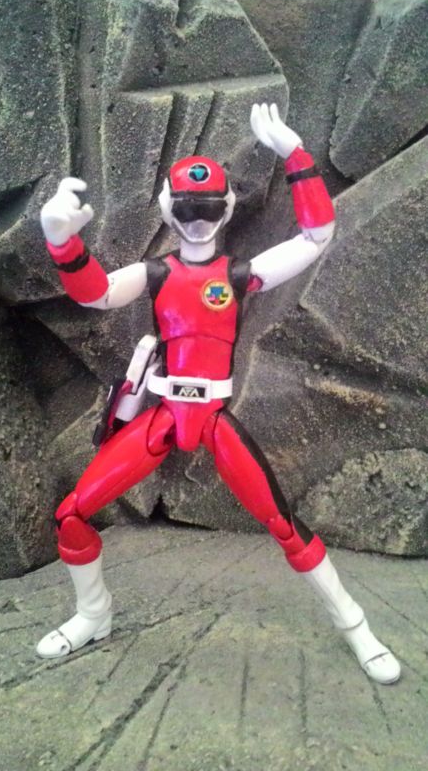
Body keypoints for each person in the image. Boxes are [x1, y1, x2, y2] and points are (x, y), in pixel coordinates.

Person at [37, 103, 400, 685]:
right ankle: (92, 614)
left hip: (211, 416)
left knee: (282, 523)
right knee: (73, 513)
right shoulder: (156, 273)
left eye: (207, 208)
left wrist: (296, 157)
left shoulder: (238, 275)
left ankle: (356, 625)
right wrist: (62, 245)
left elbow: (315, 237)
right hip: (163, 414)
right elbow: (97, 294)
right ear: (167, 208)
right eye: (187, 209)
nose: (197, 220)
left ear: (226, 207)